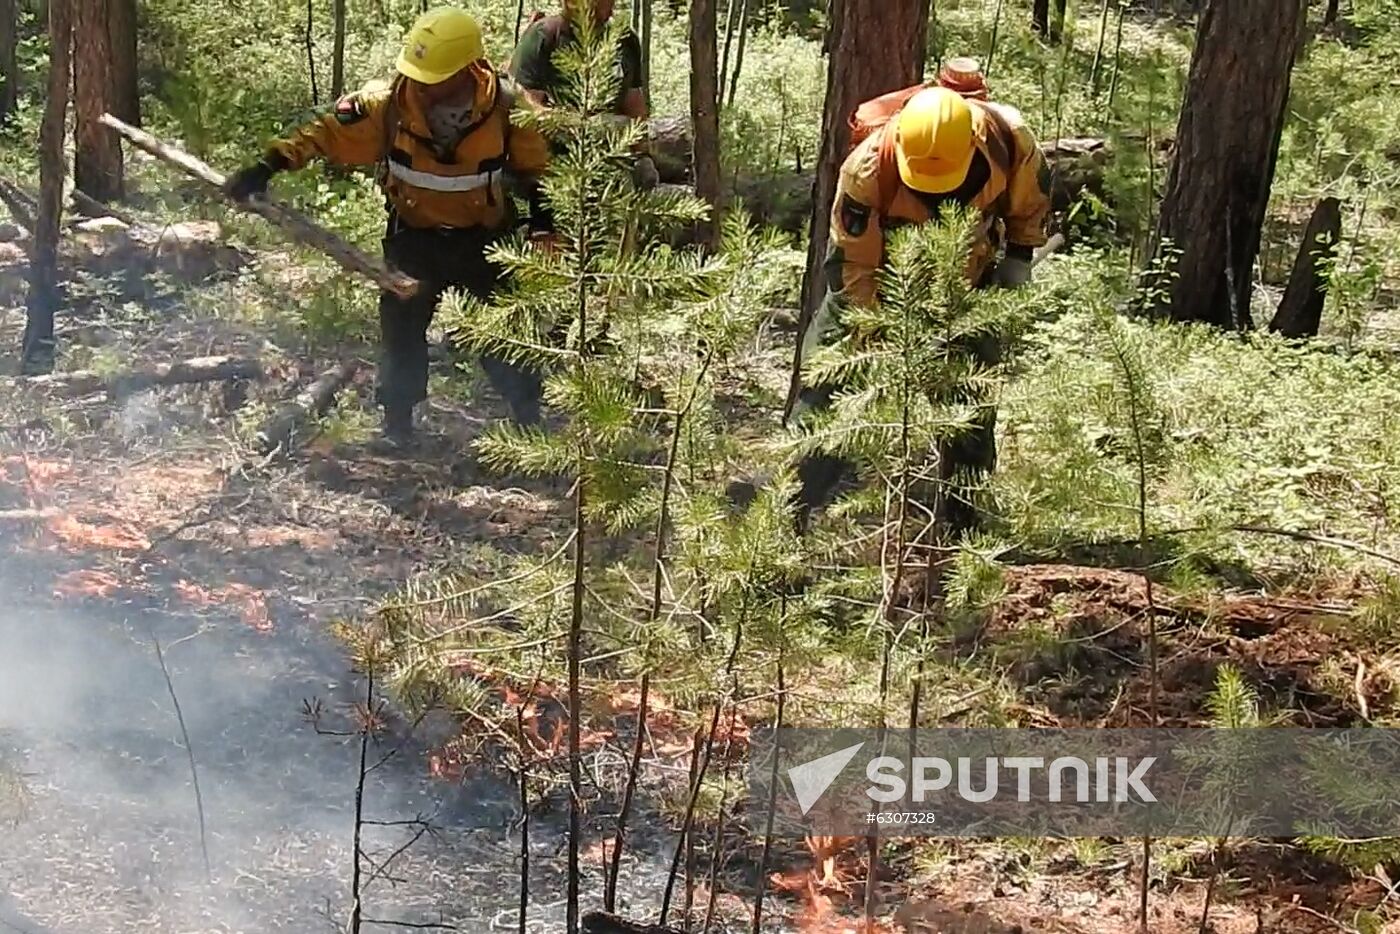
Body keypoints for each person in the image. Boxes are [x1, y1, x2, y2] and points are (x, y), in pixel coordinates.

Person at [225, 7, 552, 445]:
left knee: (504, 337)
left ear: (467, 69)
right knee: (401, 336)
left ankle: (529, 426)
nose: (422, 85)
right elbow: (322, 132)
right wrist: (268, 165)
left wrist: (545, 225)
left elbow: (540, 173)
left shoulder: (507, 108)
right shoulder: (387, 105)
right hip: (413, 238)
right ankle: (398, 426)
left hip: (484, 242)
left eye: (434, 76)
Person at [793, 84, 1052, 534]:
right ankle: (791, 505)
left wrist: (1019, 258)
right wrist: (871, 331)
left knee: (972, 399)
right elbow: (854, 264)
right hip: (878, 282)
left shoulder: (1009, 139)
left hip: (968, 286)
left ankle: (962, 519)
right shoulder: (869, 169)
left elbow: (1030, 204)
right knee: (827, 387)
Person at [508, 0, 658, 187]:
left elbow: (634, 104)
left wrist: (643, 154)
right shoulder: (544, 36)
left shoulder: (625, 41)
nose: (611, 5)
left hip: (613, 165)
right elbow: (526, 109)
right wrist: (590, 127)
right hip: (557, 173)